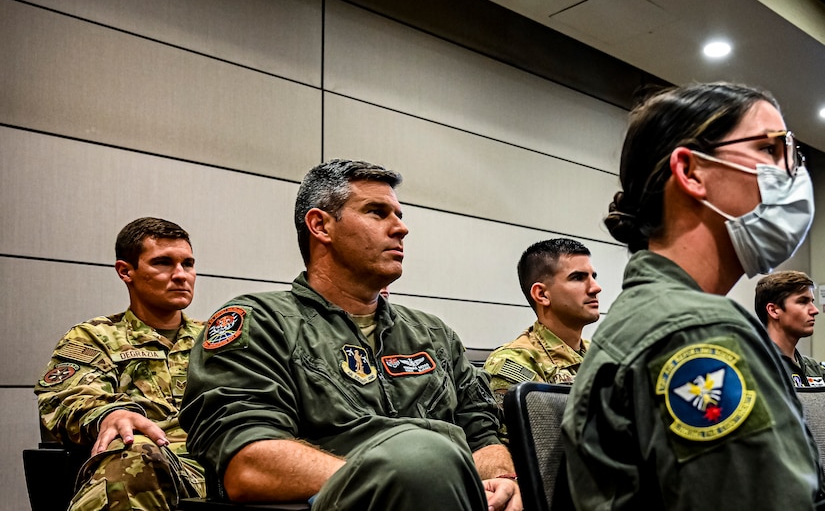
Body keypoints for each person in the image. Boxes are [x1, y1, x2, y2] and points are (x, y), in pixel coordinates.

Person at [181, 159, 521, 511]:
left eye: (399, 215)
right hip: (332, 504)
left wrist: (502, 480)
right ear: (321, 226)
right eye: (377, 212)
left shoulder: (434, 334)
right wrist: (397, 477)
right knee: (424, 457)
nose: (400, 228)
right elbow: (247, 462)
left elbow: (481, 435)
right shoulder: (261, 322)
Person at [561, 82, 823, 509]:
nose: (791, 174)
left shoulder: (653, 316)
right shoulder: (698, 332)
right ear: (691, 171)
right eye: (770, 150)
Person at [35, 217, 206, 511]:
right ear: (126, 271)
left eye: (187, 264)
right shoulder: (95, 337)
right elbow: (65, 398)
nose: (181, 275)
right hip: (152, 465)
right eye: (163, 263)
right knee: (133, 455)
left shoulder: (215, 338)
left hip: (220, 466)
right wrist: (110, 414)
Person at [484, 238, 601, 407]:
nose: (596, 287)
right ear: (542, 295)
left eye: (593, 277)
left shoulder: (599, 354)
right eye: (578, 278)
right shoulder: (514, 363)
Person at [756, 270, 825, 387]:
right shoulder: (756, 367)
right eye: (803, 302)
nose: (815, 310)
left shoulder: (813, 368)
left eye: (812, 302)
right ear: (773, 310)